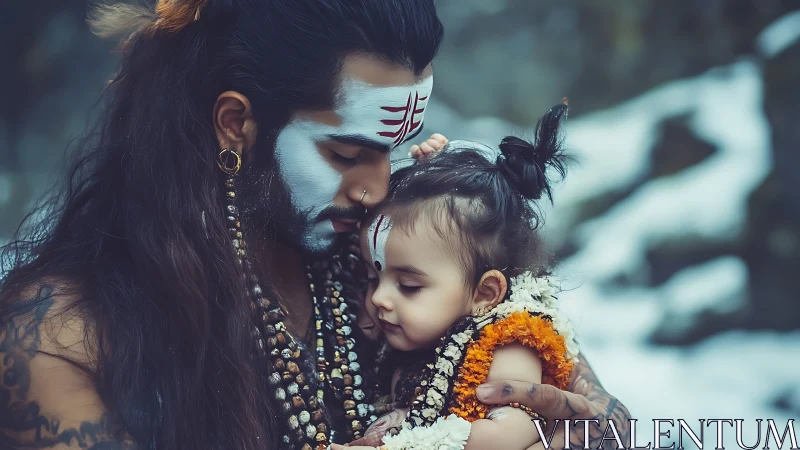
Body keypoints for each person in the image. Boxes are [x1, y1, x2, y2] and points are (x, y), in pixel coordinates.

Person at [0, 1, 630, 449]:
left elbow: (608, 421)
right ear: (235, 124)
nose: (377, 188)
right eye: (347, 155)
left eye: (394, 149)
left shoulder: (400, 256)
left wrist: (572, 433)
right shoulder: (58, 338)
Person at [331, 103, 576, 450]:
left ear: (485, 293)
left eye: (409, 286)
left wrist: (398, 446)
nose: (378, 298)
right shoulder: (426, 327)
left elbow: (511, 434)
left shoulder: (509, 343)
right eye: (373, 277)